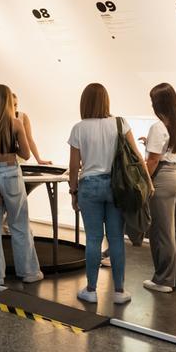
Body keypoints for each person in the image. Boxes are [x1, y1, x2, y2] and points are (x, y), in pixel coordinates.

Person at [68, 82, 151, 306]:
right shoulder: (119, 123)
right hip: (117, 186)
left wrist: (73, 192)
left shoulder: (79, 128)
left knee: (93, 238)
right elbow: (136, 157)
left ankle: (91, 290)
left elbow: (74, 166)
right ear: (106, 101)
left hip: (90, 186)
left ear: (84, 102)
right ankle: (119, 291)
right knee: (115, 238)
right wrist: (148, 183)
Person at [0, 85, 44, 286]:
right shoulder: (15, 123)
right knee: (19, 224)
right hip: (11, 173)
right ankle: (29, 272)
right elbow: (25, 154)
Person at [143, 83, 176, 294]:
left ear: (158, 103)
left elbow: (153, 161)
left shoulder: (157, 126)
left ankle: (163, 280)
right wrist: (149, 143)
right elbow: (166, 149)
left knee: (162, 232)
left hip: (163, 178)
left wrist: (144, 181)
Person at [13, 94, 52, 165]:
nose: (14, 107)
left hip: (20, 158)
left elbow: (29, 139)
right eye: (11, 104)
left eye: (15, 105)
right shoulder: (0, 118)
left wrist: (39, 160)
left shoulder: (22, 117)